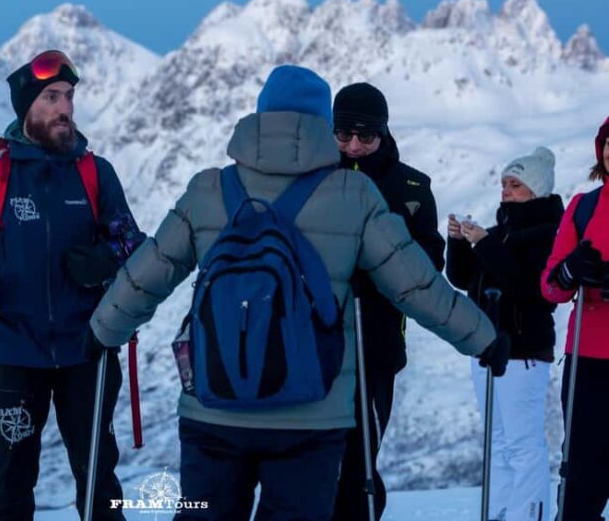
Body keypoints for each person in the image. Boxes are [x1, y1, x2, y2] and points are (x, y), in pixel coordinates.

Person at [88, 65, 509, 520]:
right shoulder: (355, 194)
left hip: (214, 406)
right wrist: (483, 337)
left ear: (260, 117)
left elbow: (148, 272)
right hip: (311, 414)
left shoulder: (209, 189)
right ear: (321, 125)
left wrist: (100, 331)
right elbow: (418, 285)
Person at [0, 50, 137, 521]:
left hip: (88, 351)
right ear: (27, 107)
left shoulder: (95, 173)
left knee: (99, 485)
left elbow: (133, 246)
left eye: (68, 96)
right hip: (10, 355)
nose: (65, 107)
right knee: (9, 490)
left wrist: (105, 260)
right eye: (52, 97)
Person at [330, 82, 446, 521]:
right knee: (312, 460)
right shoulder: (315, 177)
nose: (354, 146)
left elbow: (432, 263)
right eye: (343, 135)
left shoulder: (410, 186)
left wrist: (387, 249)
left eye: (366, 136)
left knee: (360, 459)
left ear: (383, 132)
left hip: (375, 344)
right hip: (314, 343)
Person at [446, 146, 563, 521]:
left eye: (515, 185)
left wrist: (483, 243)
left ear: (536, 189)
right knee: (497, 441)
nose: (506, 191)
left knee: (521, 441)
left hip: (523, 350)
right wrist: (459, 244)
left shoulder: (547, 236)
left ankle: (530, 514)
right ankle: (498, 512)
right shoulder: (500, 234)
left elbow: (525, 283)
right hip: (489, 349)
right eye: (504, 184)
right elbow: (464, 279)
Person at [541, 117, 609, 520]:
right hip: (587, 360)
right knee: (582, 477)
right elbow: (550, 287)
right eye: (606, 144)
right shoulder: (583, 207)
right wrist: (570, 270)